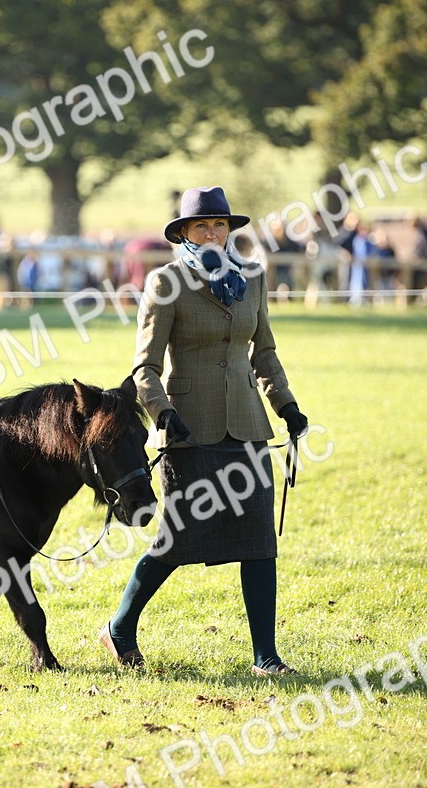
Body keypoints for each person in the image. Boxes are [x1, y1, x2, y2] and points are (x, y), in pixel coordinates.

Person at [98, 186, 309, 677]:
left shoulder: (252, 278)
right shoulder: (165, 282)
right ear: (184, 234)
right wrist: (161, 412)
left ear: (230, 231)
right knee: (178, 541)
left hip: (247, 426)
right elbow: (144, 367)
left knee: (259, 541)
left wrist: (288, 406)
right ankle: (120, 627)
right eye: (201, 227)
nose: (212, 233)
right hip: (189, 429)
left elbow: (265, 353)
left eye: (219, 225)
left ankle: (266, 657)